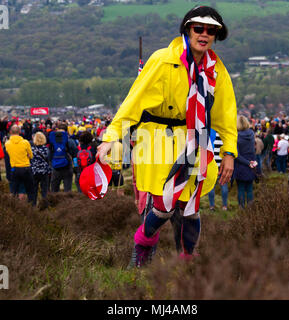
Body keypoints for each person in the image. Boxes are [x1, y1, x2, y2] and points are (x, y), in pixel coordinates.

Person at [97, 6, 238, 266]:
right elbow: (134, 101)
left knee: (190, 207)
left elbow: (226, 115)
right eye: (199, 28)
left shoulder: (216, 71)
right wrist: (112, 135)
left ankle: (187, 260)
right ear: (187, 29)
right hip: (156, 141)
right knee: (162, 205)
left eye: (211, 30)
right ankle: (143, 244)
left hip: (196, 141)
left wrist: (229, 152)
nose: (204, 34)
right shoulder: (162, 59)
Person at [5, 125, 35, 205]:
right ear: (20, 132)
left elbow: (8, 153)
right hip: (25, 168)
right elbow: (31, 156)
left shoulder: (7, 144)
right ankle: (32, 208)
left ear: (10, 132)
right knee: (30, 190)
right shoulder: (25, 142)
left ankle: (13, 207)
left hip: (14, 168)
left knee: (14, 190)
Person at [232, 116, 257, 209]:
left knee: (241, 189)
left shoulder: (236, 136)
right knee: (250, 188)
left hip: (241, 164)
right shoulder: (251, 134)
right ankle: (250, 208)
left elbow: (237, 155)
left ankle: (241, 208)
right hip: (251, 163)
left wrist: (247, 162)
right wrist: (252, 163)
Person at [49, 123, 77, 193]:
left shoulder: (53, 141)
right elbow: (75, 155)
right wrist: (76, 166)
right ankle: (66, 203)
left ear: (57, 130)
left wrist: (50, 165)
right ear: (67, 131)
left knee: (54, 189)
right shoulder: (70, 141)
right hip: (67, 166)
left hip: (55, 167)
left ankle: (54, 202)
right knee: (67, 189)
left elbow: (49, 154)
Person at [207, 131, 229, 211]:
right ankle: (224, 206)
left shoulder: (210, 133)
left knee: (212, 186)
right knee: (224, 185)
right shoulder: (223, 134)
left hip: (212, 163)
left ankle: (212, 206)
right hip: (222, 164)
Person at [31, 131, 51, 206]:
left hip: (34, 171)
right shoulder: (46, 149)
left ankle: (33, 205)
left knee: (34, 190)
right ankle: (44, 205)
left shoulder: (32, 149)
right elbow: (48, 159)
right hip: (44, 171)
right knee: (44, 190)